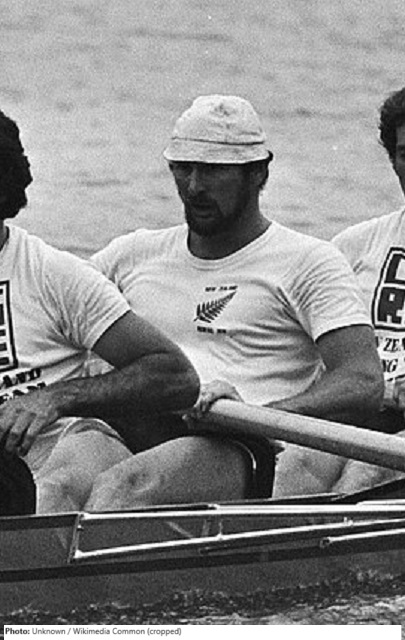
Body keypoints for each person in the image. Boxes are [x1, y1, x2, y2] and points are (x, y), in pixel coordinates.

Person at [85, 94, 384, 510]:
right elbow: (54, 323)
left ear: (258, 173)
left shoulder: (309, 262)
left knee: (123, 488)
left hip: (237, 440)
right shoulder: (131, 254)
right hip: (134, 424)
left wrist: (262, 414)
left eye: (212, 171)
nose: (194, 187)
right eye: (183, 168)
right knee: (56, 485)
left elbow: (363, 381)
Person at [0, 108, 200, 514]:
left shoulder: (54, 275)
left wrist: (54, 398)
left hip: (57, 451)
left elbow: (174, 375)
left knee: (52, 492)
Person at [330, 86, 405, 493]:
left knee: (364, 474)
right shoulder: (352, 247)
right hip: (366, 410)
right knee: (293, 464)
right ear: (393, 160)